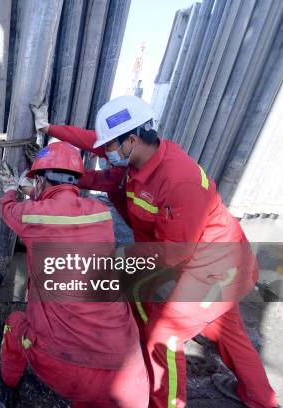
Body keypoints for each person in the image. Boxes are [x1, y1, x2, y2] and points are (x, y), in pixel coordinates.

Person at [31, 96, 277, 407]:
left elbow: (173, 255)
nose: (104, 152)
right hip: (213, 259)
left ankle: (165, 402)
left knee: (163, 335)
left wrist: (118, 259)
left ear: (131, 140)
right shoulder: (139, 158)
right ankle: (259, 397)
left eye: (109, 147)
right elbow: (93, 142)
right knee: (227, 330)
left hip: (216, 268)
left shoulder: (177, 181)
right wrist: (50, 130)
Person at [0, 141, 149, 407]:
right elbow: (61, 212)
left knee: (15, 324)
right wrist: (37, 190)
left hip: (65, 368)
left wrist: (10, 189)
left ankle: (7, 388)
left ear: (40, 181)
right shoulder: (101, 214)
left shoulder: (31, 215)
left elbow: (9, 209)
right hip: (130, 376)